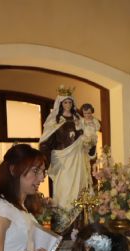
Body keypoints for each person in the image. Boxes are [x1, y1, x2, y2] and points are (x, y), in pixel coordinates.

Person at [39, 89, 91, 233]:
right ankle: (64, 228)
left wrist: (87, 142)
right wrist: (44, 160)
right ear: (61, 104)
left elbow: (88, 140)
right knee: (64, 191)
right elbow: (46, 142)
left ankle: (79, 227)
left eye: (70, 102)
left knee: (79, 191)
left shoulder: (78, 120)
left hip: (77, 160)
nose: (68, 104)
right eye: (65, 102)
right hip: (62, 162)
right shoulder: (54, 120)